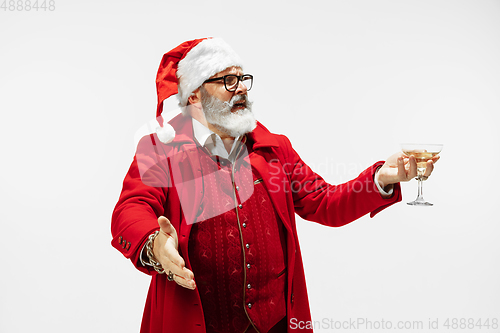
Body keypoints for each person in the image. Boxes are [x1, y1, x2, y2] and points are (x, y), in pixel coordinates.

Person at [111, 37, 439, 333]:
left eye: (242, 79)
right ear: (194, 93)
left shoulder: (274, 148)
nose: (240, 88)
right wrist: (153, 242)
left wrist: (382, 177)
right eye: (228, 80)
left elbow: (323, 202)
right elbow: (131, 208)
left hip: (276, 325)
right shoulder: (160, 150)